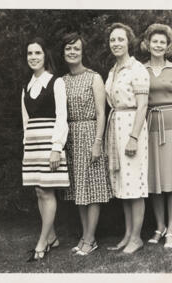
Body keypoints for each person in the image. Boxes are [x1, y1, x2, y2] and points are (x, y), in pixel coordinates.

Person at [59, 32, 113, 256]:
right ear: (63, 52)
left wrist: (97, 142)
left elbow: (101, 113)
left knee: (93, 189)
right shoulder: (61, 81)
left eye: (76, 49)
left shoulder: (94, 77)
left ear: (82, 52)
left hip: (90, 133)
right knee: (79, 190)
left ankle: (91, 239)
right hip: (71, 136)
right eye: (68, 48)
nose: (72, 52)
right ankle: (84, 236)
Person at [141, 23, 172, 248]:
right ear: (148, 44)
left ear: (168, 45)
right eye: (155, 41)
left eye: (162, 42)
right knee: (155, 181)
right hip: (150, 128)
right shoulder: (141, 70)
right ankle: (159, 226)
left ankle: (171, 229)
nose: (158, 45)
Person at [21, 37, 69, 261]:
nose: (33, 57)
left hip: (50, 143)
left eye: (37, 53)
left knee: (47, 191)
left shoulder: (55, 82)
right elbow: (26, 121)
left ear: (45, 55)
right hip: (32, 146)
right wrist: (26, 147)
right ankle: (52, 237)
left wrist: (56, 148)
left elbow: (62, 117)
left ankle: (42, 241)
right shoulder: (26, 86)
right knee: (39, 191)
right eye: (30, 53)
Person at [105, 23, 150, 254]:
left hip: (133, 127)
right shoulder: (113, 70)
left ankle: (137, 237)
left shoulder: (137, 69)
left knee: (136, 185)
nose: (116, 44)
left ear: (128, 42)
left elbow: (143, 106)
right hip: (116, 127)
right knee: (123, 185)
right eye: (113, 40)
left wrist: (133, 137)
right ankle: (127, 234)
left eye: (120, 39)